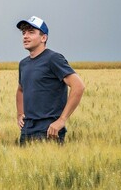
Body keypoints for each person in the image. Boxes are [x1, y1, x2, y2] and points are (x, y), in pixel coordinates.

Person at [15, 16, 85, 144]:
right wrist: (20, 114)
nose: (25, 36)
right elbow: (20, 90)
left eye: (31, 32)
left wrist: (62, 120)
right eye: (23, 33)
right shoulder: (23, 64)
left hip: (48, 129)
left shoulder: (53, 59)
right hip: (27, 129)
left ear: (43, 38)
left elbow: (78, 86)